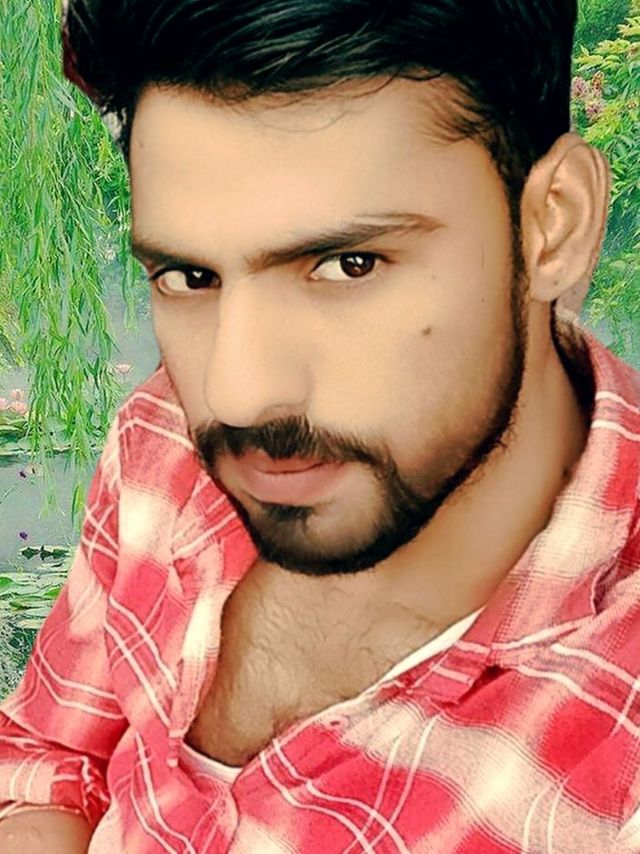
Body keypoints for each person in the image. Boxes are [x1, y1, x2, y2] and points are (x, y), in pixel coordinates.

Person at [0, 0, 639, 850]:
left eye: (347, 264)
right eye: (189, 277)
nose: (236, 394)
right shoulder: (161, 438)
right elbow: (44, 756)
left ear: (555, 224)